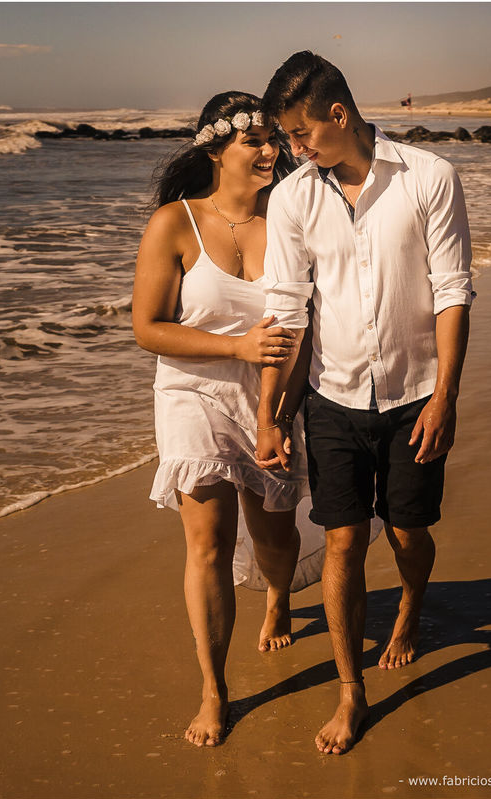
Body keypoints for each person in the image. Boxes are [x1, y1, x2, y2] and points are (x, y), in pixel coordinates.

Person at [255, 52, 474, 755]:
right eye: (288, 138)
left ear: (337, 114)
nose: (292, 150)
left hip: (415, 397)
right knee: (344, 541)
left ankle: (411, 604)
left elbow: (452, 291)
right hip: (333, 398)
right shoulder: (293, 199)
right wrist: (271, 413)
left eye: (299, 134)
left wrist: (445, 397)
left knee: (409, 534)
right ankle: (352, 693)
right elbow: (287, 314)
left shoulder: (429, 177)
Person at [132, 91, 312, 748]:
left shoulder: (287, 222)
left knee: (275, 540)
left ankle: (279, 594)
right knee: (205, 545)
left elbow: (301, 329)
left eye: (274, 140)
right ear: (215, 148)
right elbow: (148, 329)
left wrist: (281, 413)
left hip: (270, 395)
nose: (270, 151)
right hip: (191, 393)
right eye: (254, 140)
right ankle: (215, 690)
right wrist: (235, 345)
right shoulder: (173, 224)